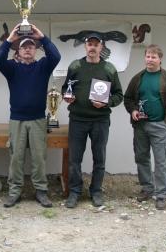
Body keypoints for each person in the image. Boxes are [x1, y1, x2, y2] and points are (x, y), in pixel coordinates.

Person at [0, 24, 61, 208]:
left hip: (38, 119)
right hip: (17, 120)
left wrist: (42, 37)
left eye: (31, 46)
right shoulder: (11, 68)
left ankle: (41, 191)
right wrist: (10, 39)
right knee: (16, 157)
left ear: (35, 50)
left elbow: (56, 56)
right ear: (19, 50)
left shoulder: (43, 66)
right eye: (24, 47)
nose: (27, 49)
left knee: (39, 157)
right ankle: (15, 191)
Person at [62, 33, 123, 208]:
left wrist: (106, 103)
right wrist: (67, 97)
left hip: (100, 120)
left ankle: (96, 191)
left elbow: (119, 95)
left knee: (99, 158)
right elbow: (66, 87)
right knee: (75, 159)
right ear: (85, 46)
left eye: (96, 44)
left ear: (101, 48)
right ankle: (75, 191)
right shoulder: (75, 66)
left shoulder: (109, 69)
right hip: (77, 119)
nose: (92, 47)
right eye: (90, 44)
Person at [124, 44, 166, 210]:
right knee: (141, 157)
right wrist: (133, 110)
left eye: (153, 57)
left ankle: (162, 194)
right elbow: (128, 98)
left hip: (159, 126)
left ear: (160, 59)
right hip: (140, 126)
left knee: (161, 160)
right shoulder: (138, 78)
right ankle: (147, 188)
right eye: (148, 56)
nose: (150, 59)